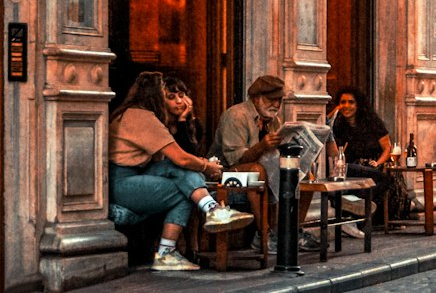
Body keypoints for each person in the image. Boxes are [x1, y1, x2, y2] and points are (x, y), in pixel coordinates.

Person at [109, 70, 252, 274]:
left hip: (128, 177)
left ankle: (212, 210)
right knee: (182, 192)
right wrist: (206, 166)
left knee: (177, 171)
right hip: (122, 183)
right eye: (166, 94)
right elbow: (182, 157)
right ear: (154, 95)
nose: (178, 100)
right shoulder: (143, 118)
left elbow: (177, 161)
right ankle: (168, 252)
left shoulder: (132, 113)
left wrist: (198, 161)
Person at [210, 75, 318, 248]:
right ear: (256, 98)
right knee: (256, 171)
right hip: (225, 178)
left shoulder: (272, 120)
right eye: (270, 99)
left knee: (306, 169)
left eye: (279, 100)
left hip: (262, 174)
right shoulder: (237, 116)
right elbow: (234, 160)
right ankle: (264, 234)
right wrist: (262, 146)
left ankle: (295, 231)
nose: (276, 105)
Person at [328, 86, 393, 231]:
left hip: (372, 166)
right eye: (342, 102)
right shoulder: (338, 123)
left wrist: (378, 162)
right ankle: (355, 216)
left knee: (382, 179)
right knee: (351, 174)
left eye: (351, 102)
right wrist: (335, 111)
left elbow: (387, 148)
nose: (346, 106)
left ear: (358, 105)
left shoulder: (371, 121)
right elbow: (324, 125)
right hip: (350, 167)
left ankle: (354, 216)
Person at [163, 77, 203, 157]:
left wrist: (182, 120)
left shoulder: (195, 124)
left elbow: (190, 155)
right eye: (171, 97)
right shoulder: (157, 124)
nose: (179, 101)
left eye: (181, 95)